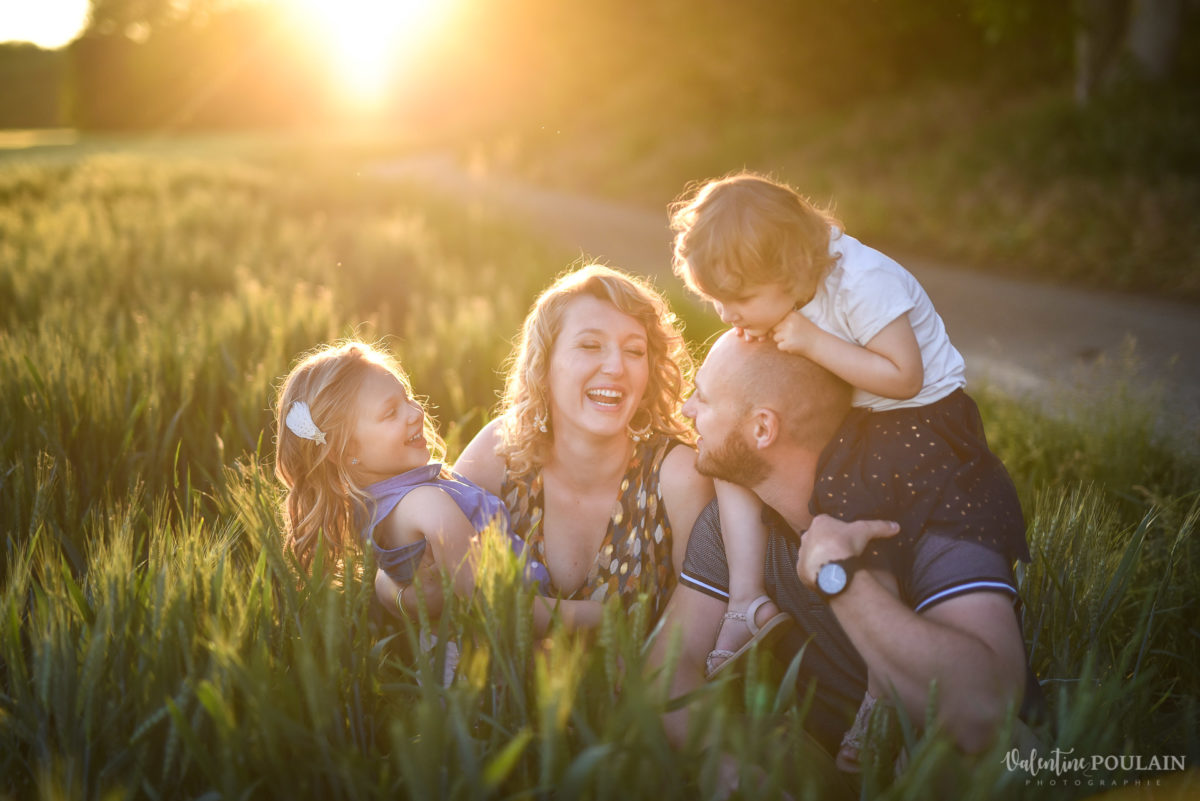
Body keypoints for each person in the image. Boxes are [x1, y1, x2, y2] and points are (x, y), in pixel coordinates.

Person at [669, 173, 1029, 764]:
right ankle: (749, 603)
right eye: (718, 304)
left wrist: (808, 342)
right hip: (874, 420)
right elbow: (664, 673)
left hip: (921, 425)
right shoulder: (797, 284)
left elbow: (905, 378)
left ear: (786, 273)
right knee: (815, 499)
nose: (729, 317)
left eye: (738, 303)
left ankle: (879, 692)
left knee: (864, 527)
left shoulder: (865, 281)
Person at [649, 332, 1038, 795]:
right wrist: (721, 760)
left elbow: (984, 714)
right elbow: (664, 670)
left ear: (762, 429)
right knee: (755, 736)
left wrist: (841, 579)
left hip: (947, 772)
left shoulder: (939, 507)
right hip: (825, 769)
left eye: (704, 397)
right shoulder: (737, 528)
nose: (688, 409)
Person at [377, 264, 714, 633]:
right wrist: (410, 596)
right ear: (545, 363)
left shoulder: (677, 475)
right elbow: (395, 578)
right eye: (590, 345)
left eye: (635, 350)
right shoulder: (502, 451)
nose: (617, 366)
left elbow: (699, 628)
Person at [274, 341, 548, 632]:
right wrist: (595, 615)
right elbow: (500, 606)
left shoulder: (383, 506)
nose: (415, 412)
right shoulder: (426, 506)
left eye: (407, 398)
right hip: (515, 654)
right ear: (343, 451)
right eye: (390, 412)